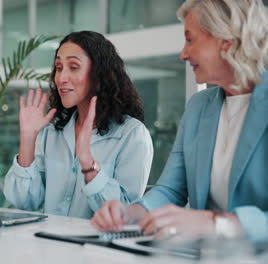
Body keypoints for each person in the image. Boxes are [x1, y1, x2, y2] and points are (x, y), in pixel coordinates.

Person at [91, 0, 268, 242]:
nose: (183, 54)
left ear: (226, 40)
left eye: (190, 39)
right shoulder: (198, 107)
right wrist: (129, 213)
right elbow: (171, 189)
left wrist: (214, 223)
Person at [3, 31, 153, 219]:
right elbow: (23, 202)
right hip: (47, 245)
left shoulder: (132, 135)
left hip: (97, 247)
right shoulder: (51, 132)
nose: (61, 78)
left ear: (99, 73)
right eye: (58, 67)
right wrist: (27, 139)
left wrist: (88, 164)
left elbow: (126, 214)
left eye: (73, 67)